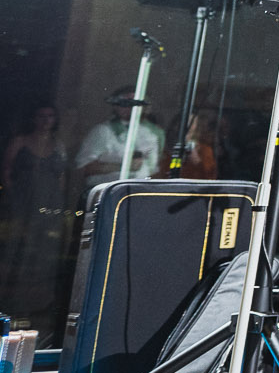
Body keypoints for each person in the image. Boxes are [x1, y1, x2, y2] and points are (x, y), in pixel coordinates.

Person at [1, 105, 71, 336]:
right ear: (33, 118)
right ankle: (8, 300)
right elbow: (7, 171)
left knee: (42, 251)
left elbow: (61, 177)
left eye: (50, 116)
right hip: (21, 203)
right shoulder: (20, 141)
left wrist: (58, 205)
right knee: (15, 250)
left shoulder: (58, 145)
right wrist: (13, 198)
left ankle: (35, 304)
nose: (46, 120)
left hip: (48, 204)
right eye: (42, 116)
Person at [75, 98, 164, 202]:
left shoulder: (152, 133)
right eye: (126, 103)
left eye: (137, 103)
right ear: (116, 106)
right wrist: (124, 166)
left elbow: (154, 170)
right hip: (106, 196)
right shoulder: (103, 131)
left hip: (140, 197)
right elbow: (83, 168)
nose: (132, 107)